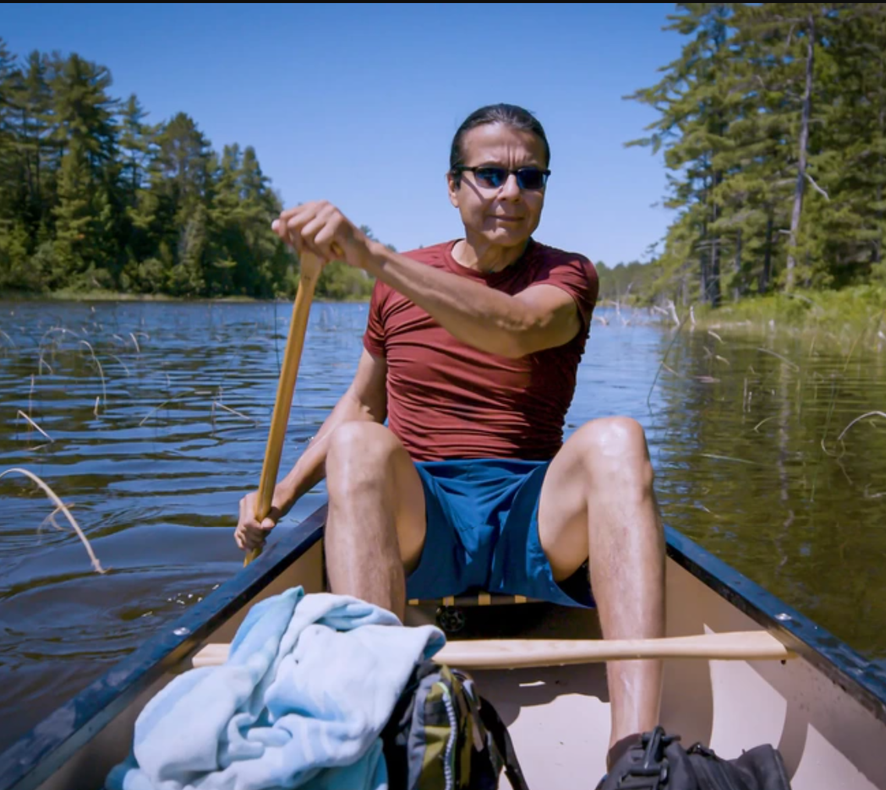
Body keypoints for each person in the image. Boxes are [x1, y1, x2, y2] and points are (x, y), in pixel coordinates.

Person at [234, 103, 665, 769]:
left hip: (533, 515)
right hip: (426, 513)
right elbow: (359, 404)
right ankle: (394, 735)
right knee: (358, 444)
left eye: (531, 178)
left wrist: (373, 256)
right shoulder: (397, 289)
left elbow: (516, 327)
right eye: (491, 174)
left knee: (618, 438)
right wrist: (281, 496)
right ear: (453, 185)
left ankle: (636, 756)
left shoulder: (566, 276)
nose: (511, 194)